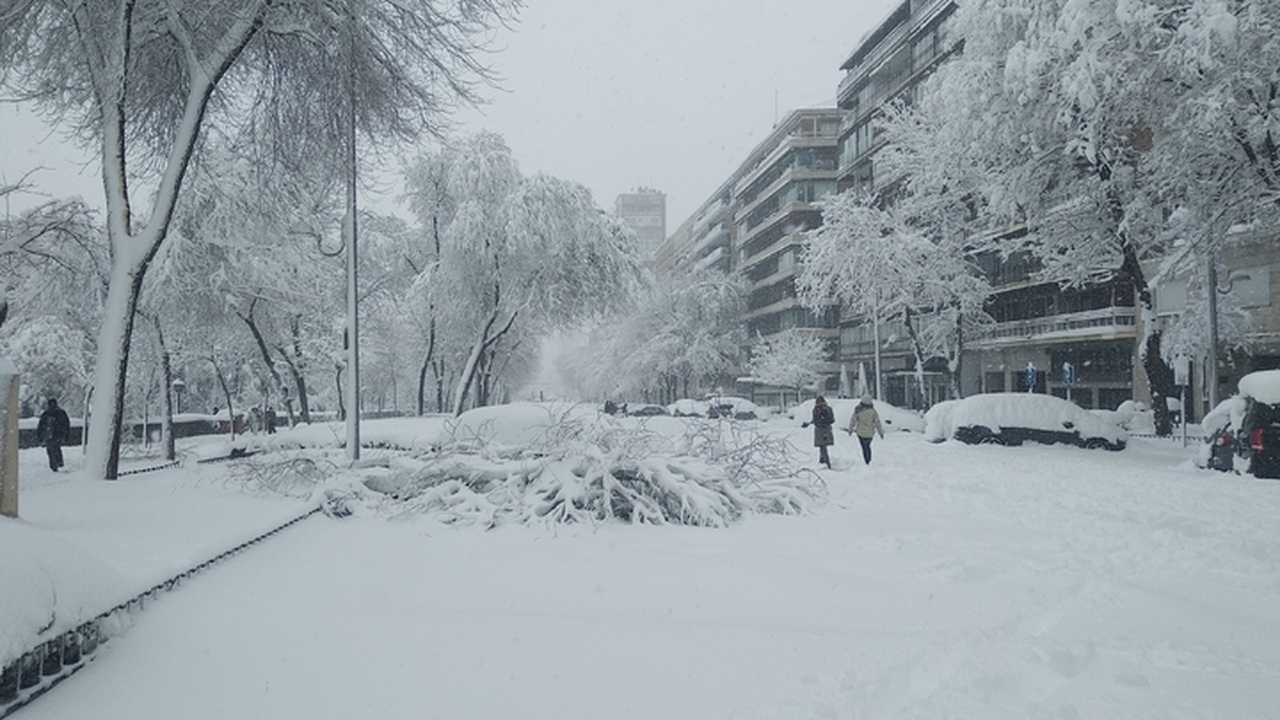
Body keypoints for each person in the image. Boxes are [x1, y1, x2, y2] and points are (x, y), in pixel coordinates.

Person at [846, 394, 885, 465]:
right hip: (870, 432)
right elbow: (877, 422)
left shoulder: (858, 410)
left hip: (860, 432)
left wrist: (850, 429)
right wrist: (881, 432)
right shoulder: (873, 411)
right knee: (868, 445)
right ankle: (868, 459)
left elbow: (853, 420)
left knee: (863, 446)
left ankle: (866, 459)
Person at [36, 398, 71, 472]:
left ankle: (54, 465)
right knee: (57, 448)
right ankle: (59, 462)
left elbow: (41, 426)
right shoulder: (61, 413)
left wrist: (40, 436)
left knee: (50, 450)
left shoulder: (46, 414)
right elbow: (66, 425)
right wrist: (66, 435)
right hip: (58, 435)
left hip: (49, 435)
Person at [807, 395, 836, 469]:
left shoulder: (815, 410)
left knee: (822, 447)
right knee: (824, 447)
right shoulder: (829, 409)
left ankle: (826, 463)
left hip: (819, 430)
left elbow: (815, 421)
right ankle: (822, 461)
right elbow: (832, 420)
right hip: (827, 429)